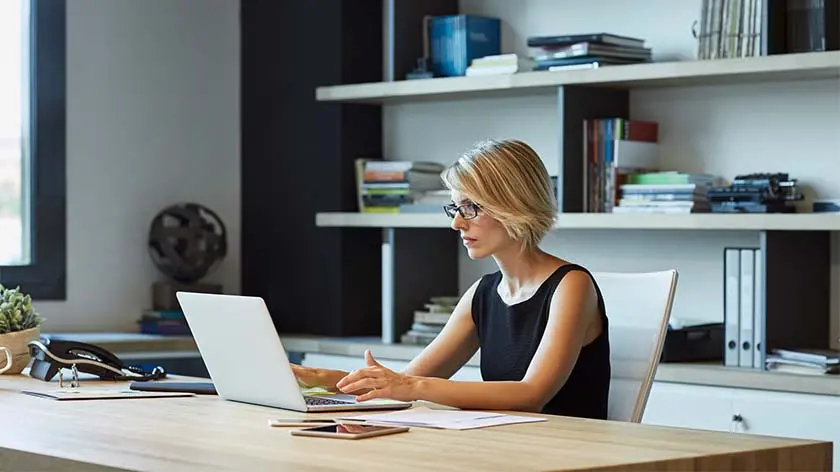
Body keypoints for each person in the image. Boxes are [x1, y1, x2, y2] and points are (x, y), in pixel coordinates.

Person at [292, 138, 610, 418]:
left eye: (470, 208)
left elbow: (531, 396)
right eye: (455, 208)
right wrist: (317, 376)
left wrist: (410, 385)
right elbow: (407, 380)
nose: (457, 224)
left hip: (571, 455)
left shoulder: (571, 285)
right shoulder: (483, 293)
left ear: (513, 204)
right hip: (511, 450)